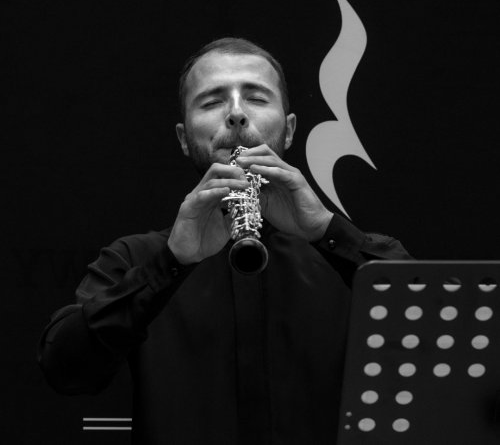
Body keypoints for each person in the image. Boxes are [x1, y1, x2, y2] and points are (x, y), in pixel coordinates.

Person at [39, 37, 411, 444]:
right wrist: (170, 262)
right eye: (212, 101)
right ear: (184, 138)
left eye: (256, 98)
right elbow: (66, 370)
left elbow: (428, 332)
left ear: (288, 131)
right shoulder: (135, 257)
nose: (236, 114)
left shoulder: (345, 254)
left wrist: (327, 231)